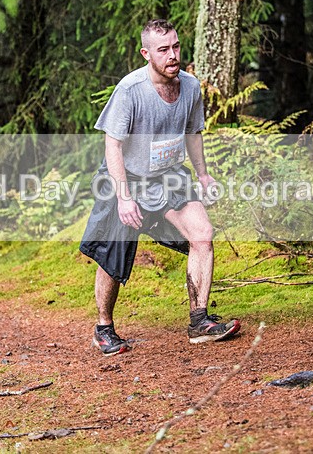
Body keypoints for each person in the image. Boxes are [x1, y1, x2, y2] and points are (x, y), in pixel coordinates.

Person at [80, 19, 240, 356]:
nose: (172, 55)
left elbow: (193, 133)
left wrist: (203, 175)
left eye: (176, 47)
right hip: (127, 179)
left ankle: (199, 321)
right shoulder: (130, 90)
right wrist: (123, 198)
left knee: (202, 233)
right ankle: (103, 328)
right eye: (163, 49)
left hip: (168, 178)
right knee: (113, 256)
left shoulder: (191, 87)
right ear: (146, 53)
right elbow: (112, 147)